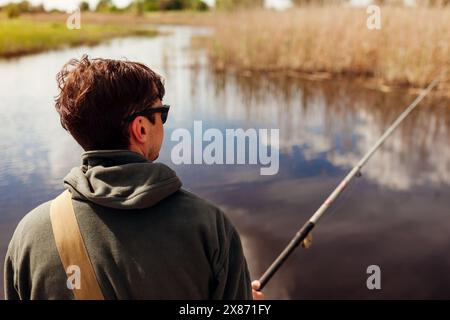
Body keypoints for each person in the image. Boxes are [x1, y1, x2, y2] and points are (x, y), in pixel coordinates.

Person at [4, 55, 264, 300]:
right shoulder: (208, 226)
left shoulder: (29, 236)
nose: (163, 121)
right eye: (161, 113)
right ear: (140, 128)